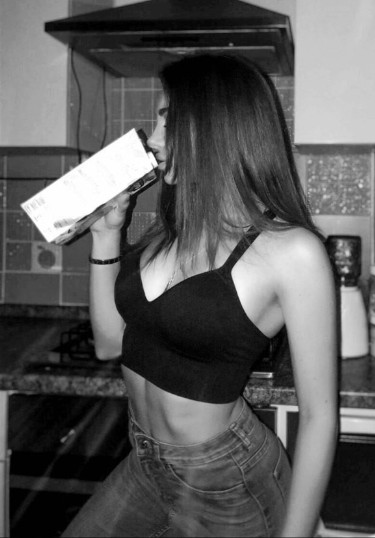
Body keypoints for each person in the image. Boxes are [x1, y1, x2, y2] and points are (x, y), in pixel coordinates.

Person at [63, 54, 338, 538]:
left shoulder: (292, 251)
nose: (152, 139)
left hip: (227, 480)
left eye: (167, 120)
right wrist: (106, 236)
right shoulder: (168, 233)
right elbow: (109, 344)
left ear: (217, 128)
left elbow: (319, 417)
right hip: (145, 462)